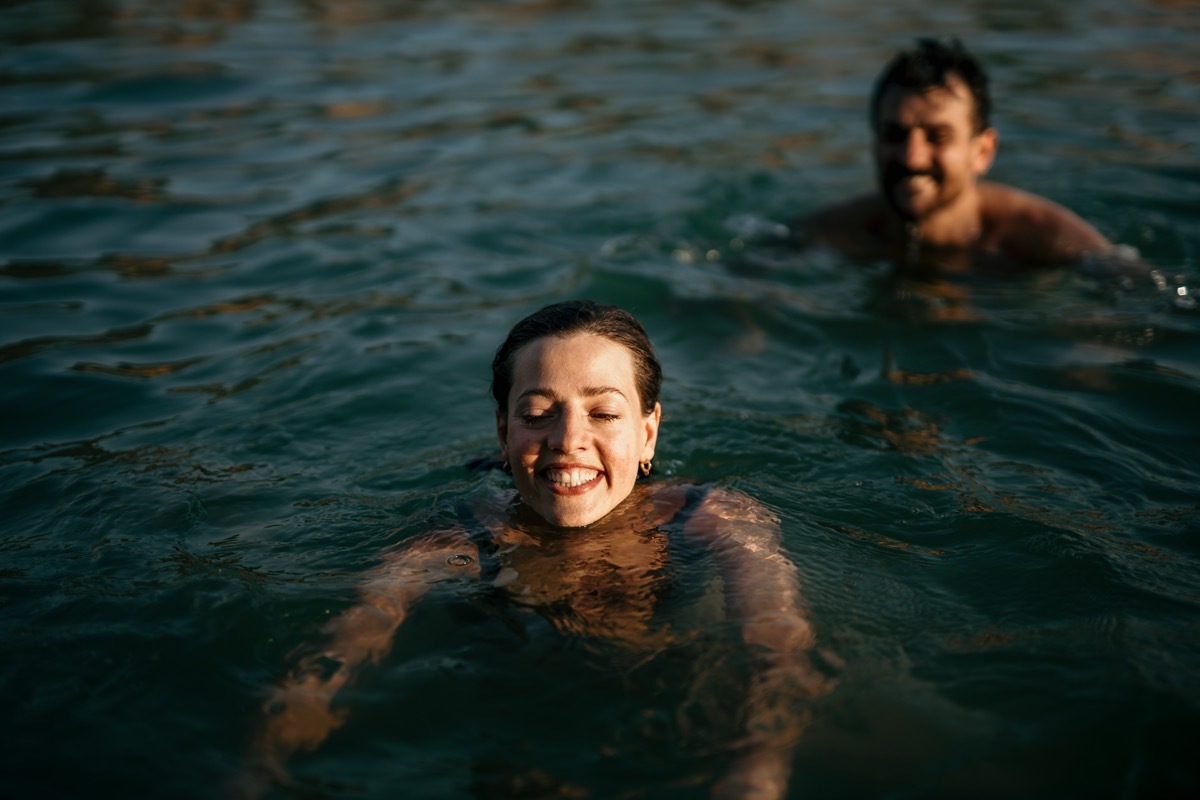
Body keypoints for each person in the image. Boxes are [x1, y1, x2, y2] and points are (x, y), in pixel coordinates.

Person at [236, 300, 826, 800]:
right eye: (538, 414)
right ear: (503, 432)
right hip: (511, 732)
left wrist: (757, 767)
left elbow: (778, 646)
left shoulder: (708, 518)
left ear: (648, 432)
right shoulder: (458, 535)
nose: (568, 440)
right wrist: (260, 762)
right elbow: (342, 648)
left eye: (603, 412)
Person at [799, 37, 1113, 272]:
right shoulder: (838, 231)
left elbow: (1134, 301)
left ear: (982, 151)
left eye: (938, 137)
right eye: (895, 135)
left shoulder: (1044, 239)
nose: (912, 158)